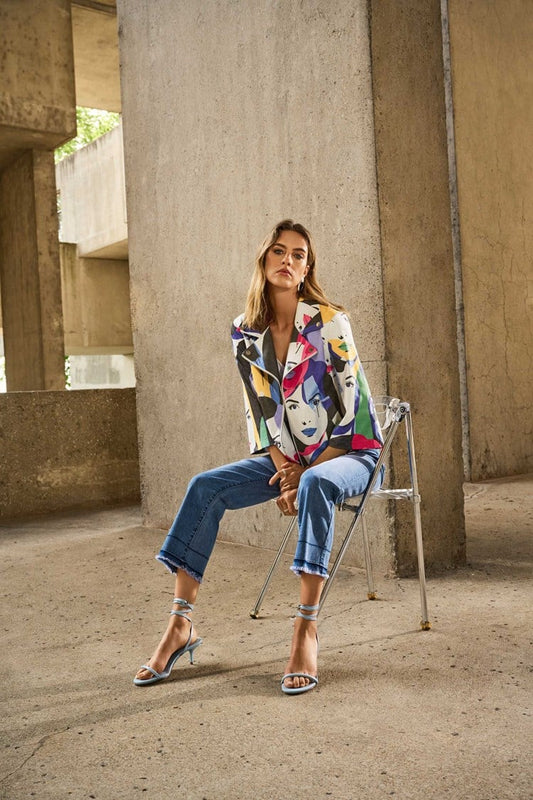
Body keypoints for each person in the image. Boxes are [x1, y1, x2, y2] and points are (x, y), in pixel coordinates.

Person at [134, 219, 383, 695]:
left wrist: (302, 474)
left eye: (298, 255)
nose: (287, 261)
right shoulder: (244, 333)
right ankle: (179, 625)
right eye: (279, 251)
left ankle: (305, 628)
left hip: (351, 455)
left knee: (315, 484)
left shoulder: (330, 322)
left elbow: (357, 417)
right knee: (205, 487)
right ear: (264, 260)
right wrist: (285, 468)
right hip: (289, 460)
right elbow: (261, 415)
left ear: (307, 268)